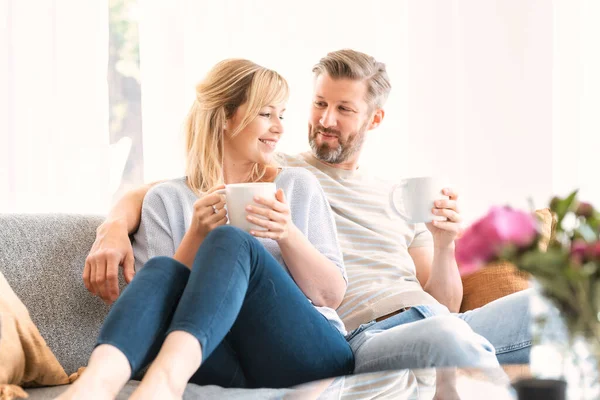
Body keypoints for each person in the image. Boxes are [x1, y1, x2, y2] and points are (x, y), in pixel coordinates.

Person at [84, 49, 529, 373]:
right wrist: (112, 228)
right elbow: (176, 188)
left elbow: (445, 305)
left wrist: (444, 242)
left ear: (374, 120)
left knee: (555, 310)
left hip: (435, 318)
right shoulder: (278, 171)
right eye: (319, 104)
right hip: (367, 333)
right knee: (449, 338)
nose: (325, 120)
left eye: (344, 109)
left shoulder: (395, 197)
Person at [60, 59, 354, 400]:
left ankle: (165, 383)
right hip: (222, 362)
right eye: (266, 113)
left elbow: (331, 295)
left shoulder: (297, 185)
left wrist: (287, 233)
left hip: (307, 354)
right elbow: (160, 309)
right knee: (160, 269)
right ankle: (96, 383)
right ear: (226, 117)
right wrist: (196, 235)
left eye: (282, 115)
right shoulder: (165, 200)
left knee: (231, 240)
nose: (278, 127)